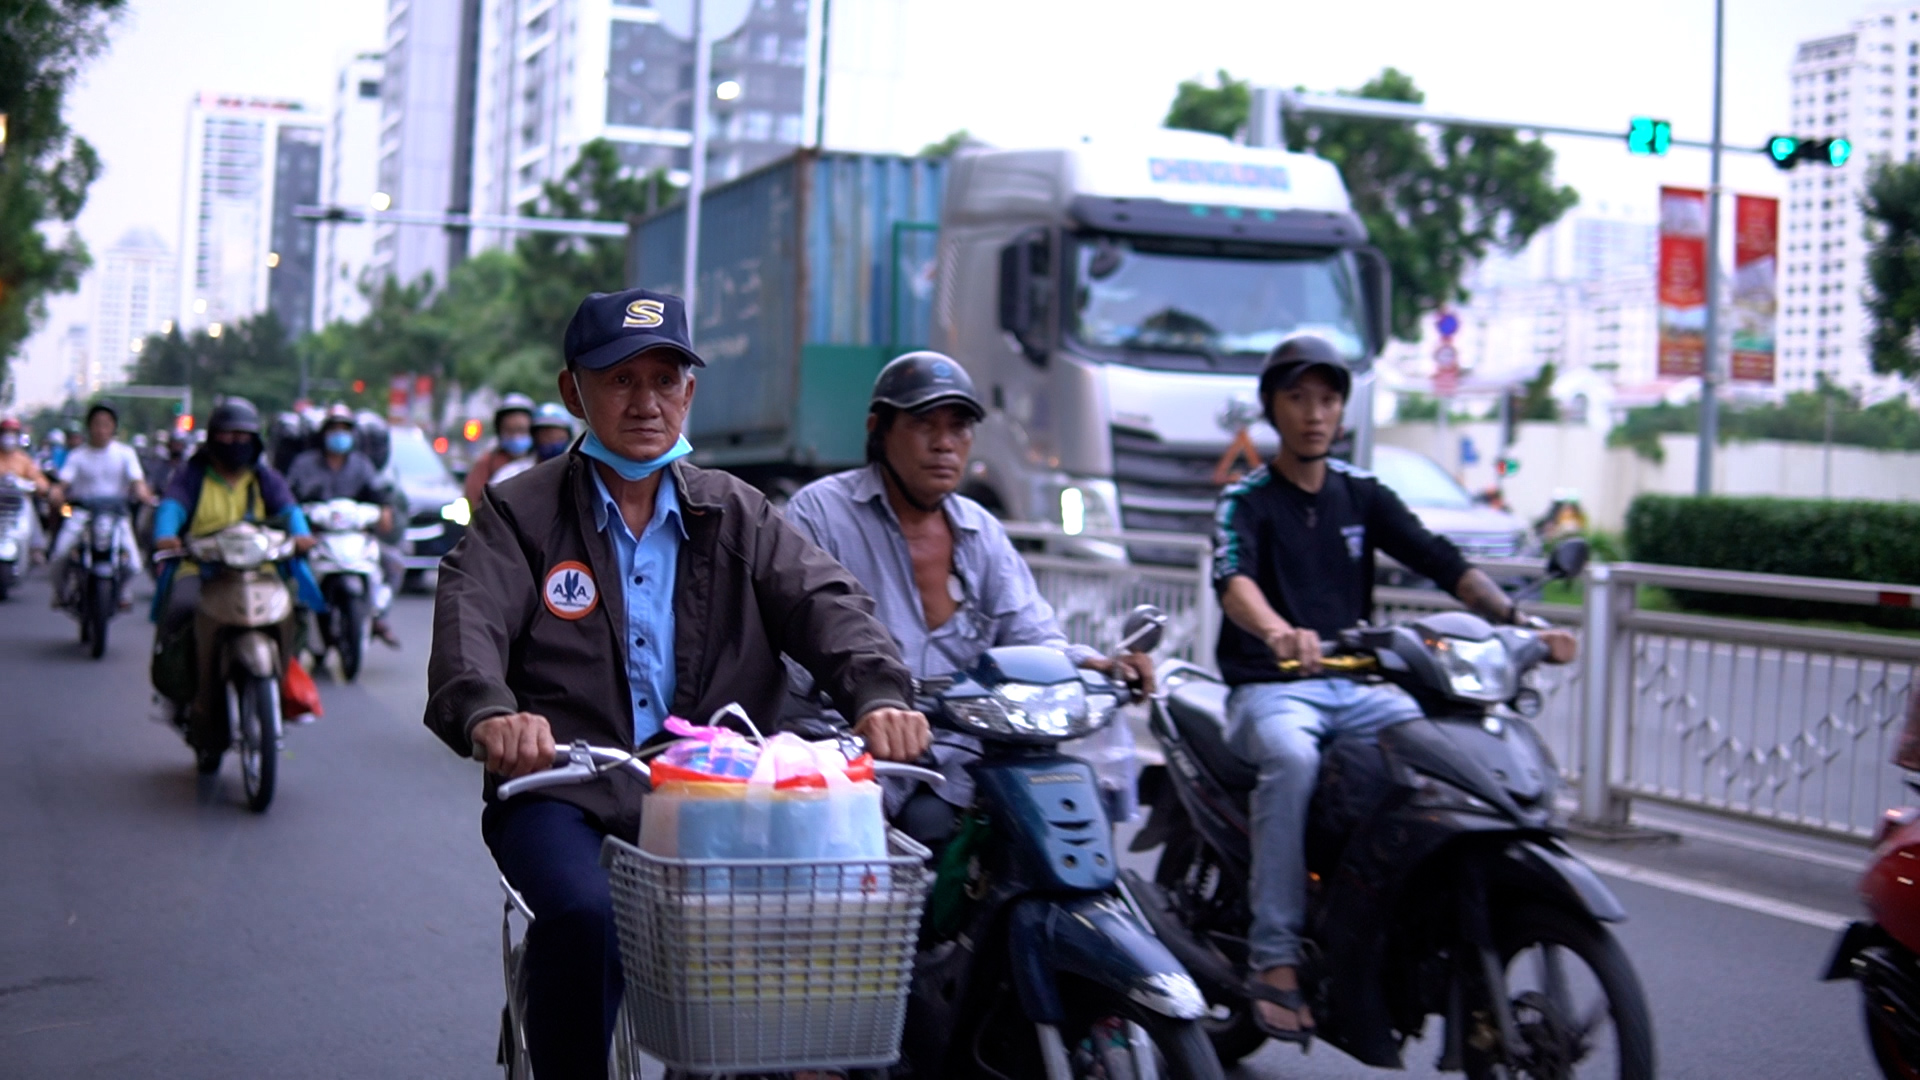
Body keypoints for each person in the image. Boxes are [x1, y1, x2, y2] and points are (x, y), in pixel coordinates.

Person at [424, 287, 931, 1079]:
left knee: (831, 923)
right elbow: (471, 618)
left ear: (690, 392)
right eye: (620, 379)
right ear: (574, 392)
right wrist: (492, 713)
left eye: (665, 380)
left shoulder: (738, 512)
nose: (646, 401)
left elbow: (823, 601)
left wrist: (879, 693)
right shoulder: (520, 511)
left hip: (718, 791)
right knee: (586, 916)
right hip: (568, 787)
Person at [1211, 335, 1578, 1043]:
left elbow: (1441, 561)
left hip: (1359, 686)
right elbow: (1234, 580)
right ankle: (1276, 954)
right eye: (1298, 398)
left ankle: (1390, 915)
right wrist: (1278, 630)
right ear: (1272, 409)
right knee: (1292, 762)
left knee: (1440, 756)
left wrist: (1517, 620)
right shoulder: (1247, 500)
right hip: (1273, 688)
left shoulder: (1362, 493)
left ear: (1342, 410)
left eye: (1327, 398)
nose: (1314, 413)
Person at [783, 351, 1154, 846]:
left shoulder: (982, 531)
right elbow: (797, 653)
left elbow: (1033, 638)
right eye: (923, 425)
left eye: (958, 428)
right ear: (879, 429)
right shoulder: (820, 513)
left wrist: (1096, 666)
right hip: (856, 751)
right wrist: (874, 700)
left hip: (970, 749)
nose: (944, 444)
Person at [152, 398, 319, 769]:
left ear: (255, 441)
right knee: (179, 610)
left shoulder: (263, 477)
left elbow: (289, 509)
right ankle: (180, 692)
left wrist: (301, 534)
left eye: (243, 435)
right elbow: (172, 507)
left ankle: (287, 677)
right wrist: (166, 534)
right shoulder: (192, 474)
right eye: (227, 434)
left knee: (298, 609)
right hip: (202, 568)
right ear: (213, 438)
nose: (235, 442)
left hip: (257, 570)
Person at [285, 403, 401, 646]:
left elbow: (377, 494)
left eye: (345, 430)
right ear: (323, 433)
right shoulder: (304, 465)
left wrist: (385, 512)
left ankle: (376, 615)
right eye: (334, 429)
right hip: (315, 538)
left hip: (353, 537)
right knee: (288, 573)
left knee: (393, 563)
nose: (339, 435)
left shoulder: (361, 465)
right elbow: (288, 498)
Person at [49, 403, 152, 605]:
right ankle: (61, 594)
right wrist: (56, 493)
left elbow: (138, 482)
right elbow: (62, 483)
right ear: (89, 427)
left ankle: (122, 592)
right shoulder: (77, 455)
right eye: (97, 424)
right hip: (81, 515)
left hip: (116, 516)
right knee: (59, 555)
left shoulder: (125, 453)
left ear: (114, 427)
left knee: (133, 564)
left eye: (106, 424)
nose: (101, 429)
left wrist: (144, 494)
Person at [460, 392, 536, 503]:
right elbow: (474, 501)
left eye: (521, 430)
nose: (516, 437)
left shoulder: (542, 461)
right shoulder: (486, 464)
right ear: (499, 432)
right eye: (509, 430)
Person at [489, 401, 574, 485]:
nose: (549, 439)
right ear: (534, 436)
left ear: (568, 436)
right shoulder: (511, 474)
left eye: (556, 435)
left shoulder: (577, 472)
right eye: (544, 434)